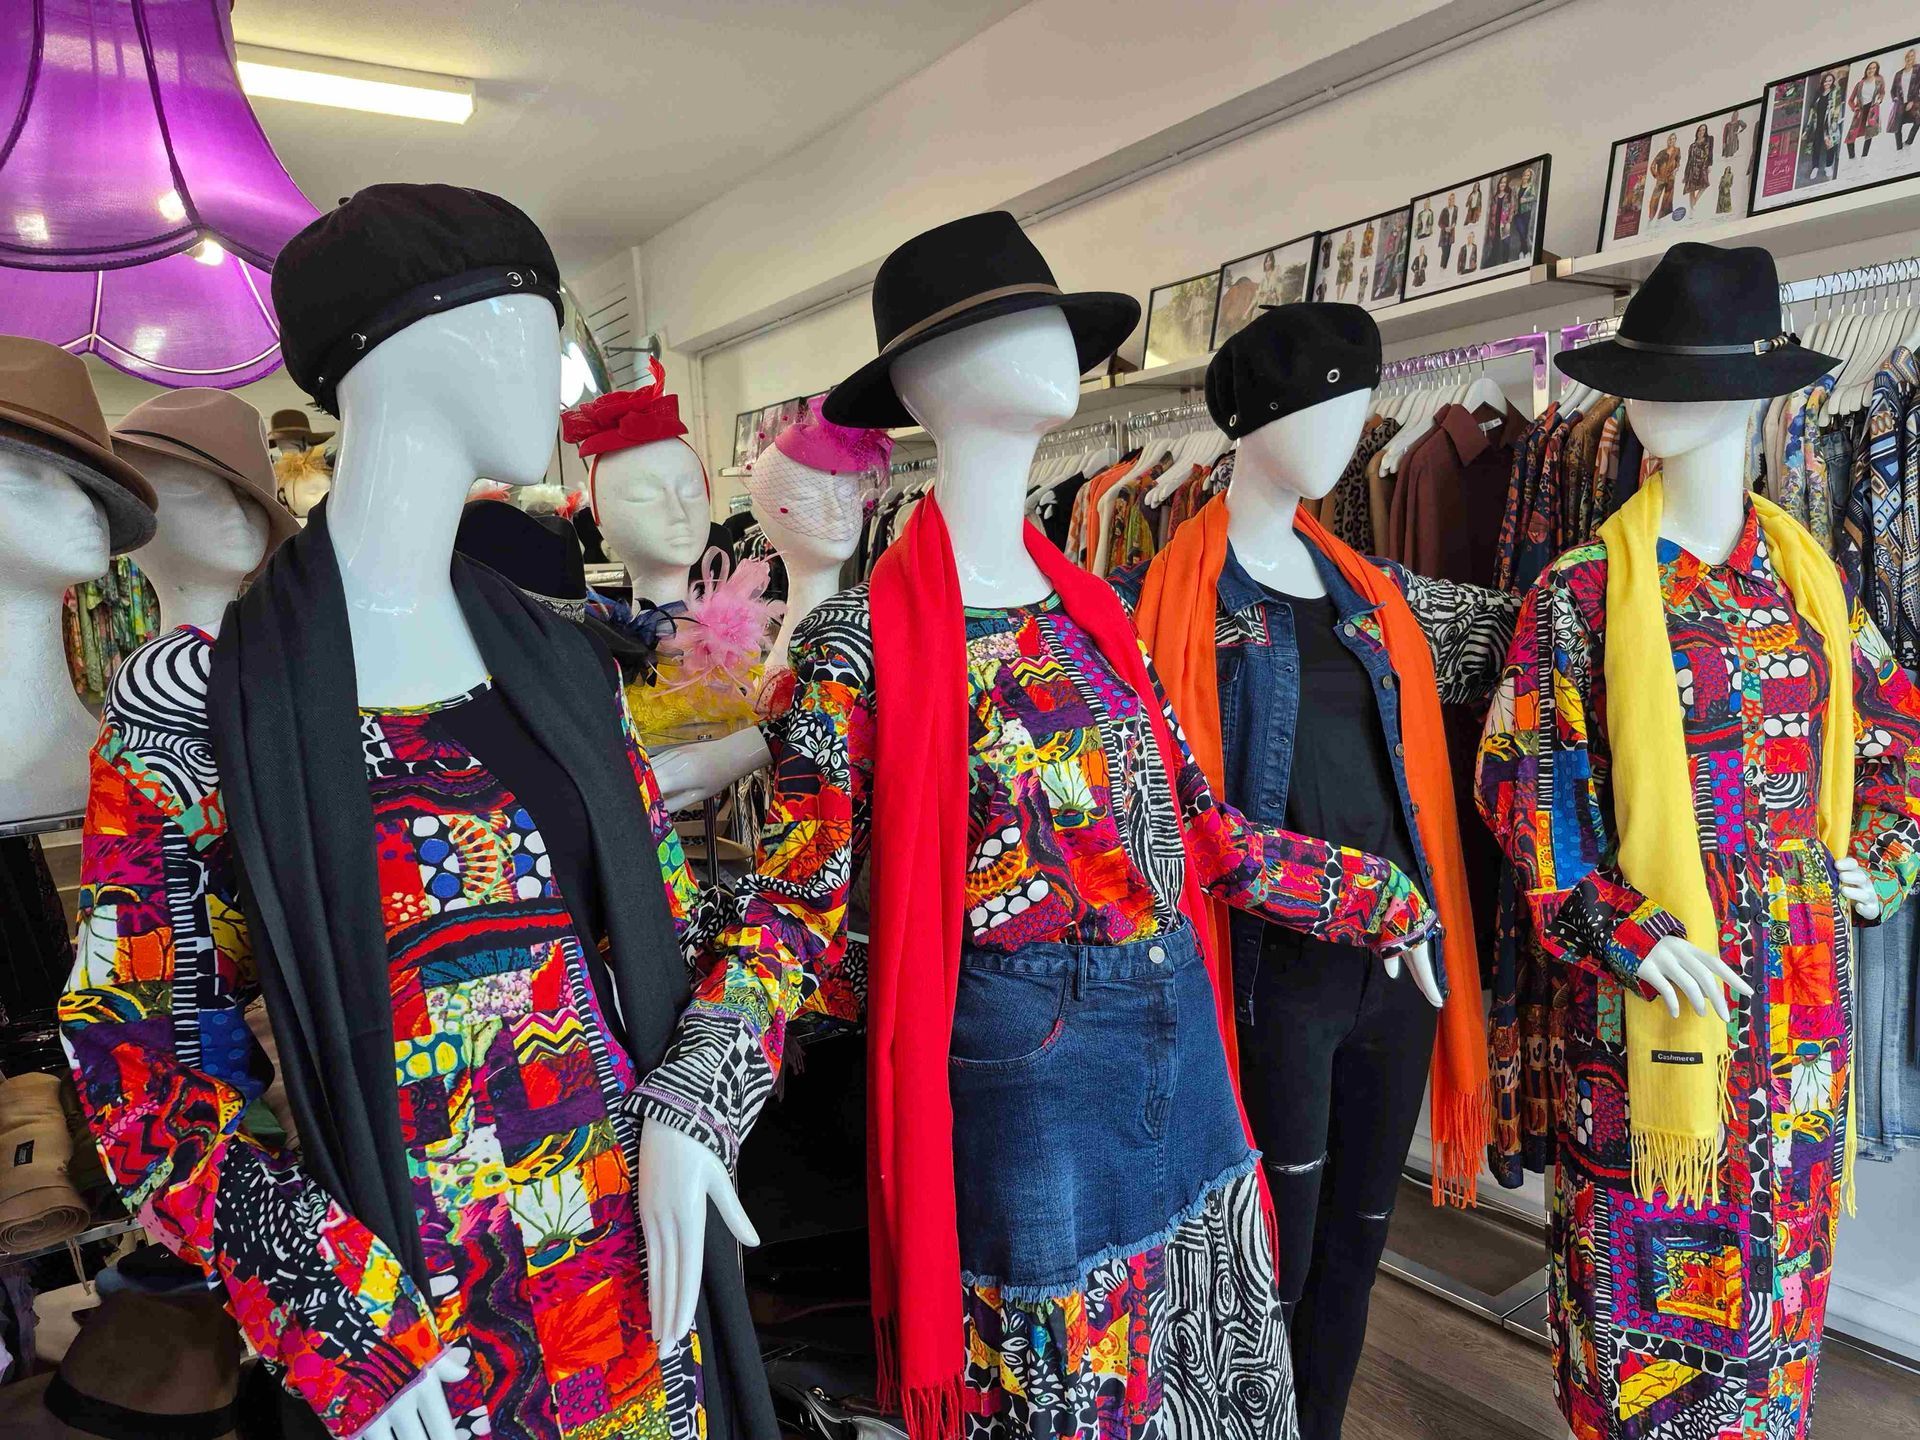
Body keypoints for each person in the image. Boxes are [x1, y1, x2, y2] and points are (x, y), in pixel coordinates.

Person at [1803, 71, 1843, 181]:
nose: (1827, 83)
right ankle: (1815, 167)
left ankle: (1828, 166)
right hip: (1817, 123)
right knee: (1816, 146)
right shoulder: (1818, 93)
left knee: (1831, 146)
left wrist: (1834, 121)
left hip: (1829, 124)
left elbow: (1838, 107)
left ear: (1833, 81)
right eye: (1826, 81)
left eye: (1830, 81)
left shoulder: (1836, 92)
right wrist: (1808, 127)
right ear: (1823, 82)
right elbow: (1812, 108)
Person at [1848, 59, 1886, 158]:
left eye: (1874, 68)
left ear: (1876, 70)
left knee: (1869, 133)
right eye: (1870, 68)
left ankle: (1864, 157)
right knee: (1851, 136)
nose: (1871, 70)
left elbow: (1882, 92)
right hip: (1860, 110)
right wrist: (1854, 108)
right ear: (1866, 70)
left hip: (1872, 110)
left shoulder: (1879, 80)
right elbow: (1850, 100)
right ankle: (1852, 157)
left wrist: (1879, 100)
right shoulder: (1859, 84)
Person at [1683, 123, 1715, 212]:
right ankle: (1692, 209)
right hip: (1692, 167)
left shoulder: (1709, 139)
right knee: (1692, 189)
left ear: (1706, 131)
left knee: (1704, 184)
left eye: (1703, 130)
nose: (1701, 132)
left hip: (1703, 165)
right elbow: (1689, 160)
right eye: (1700, 130)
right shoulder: (1692, 145)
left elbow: (1710, 152)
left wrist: (1710, 164)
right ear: (1697, 131)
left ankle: (1694, 203)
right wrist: (1685, 175)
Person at [1649, 131, 1681, 220]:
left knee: (1668, 198)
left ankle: (1662, 217)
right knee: (1655, 198)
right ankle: (1651, 217)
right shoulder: (1662, 152)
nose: (1672, 140)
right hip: (1661, 178)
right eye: (1670, 139)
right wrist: (1656, 175)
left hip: (1670, 178)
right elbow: (1652, 165)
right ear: (1668, 140)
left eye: (1673, 139)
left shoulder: (1677, 150)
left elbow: (1678, 163)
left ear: (1675, 140)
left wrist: (1675, 170)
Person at [1892, 49, 1920, 148]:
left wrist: (1912, 101)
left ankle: (1909, 142)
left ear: (1914, 57)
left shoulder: (1918, 69)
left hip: (1914, 102)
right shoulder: (1898, 74)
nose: (1910, 58)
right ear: (1905, 58)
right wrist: (1895, 99)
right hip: (1900, 104)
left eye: (1912, 56)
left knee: (1918, 121)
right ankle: (1899, 148)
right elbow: (1893, 90)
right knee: (1897, 127)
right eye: (1908, 56)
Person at [1437, 191, 1458, 269]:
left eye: (1453, 199)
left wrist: (1453, 225)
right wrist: (1445, 228)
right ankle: (1441, 267)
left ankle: (1444, 267)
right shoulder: (1444, 210)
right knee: (1444, 252)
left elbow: (1455, 219)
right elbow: (1439, 223)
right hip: (1444, 234)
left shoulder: (1456, 209)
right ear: (1448, 200)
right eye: (1450, 199)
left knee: (1448, 251)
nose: (1451, 201)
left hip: (1451, 233)